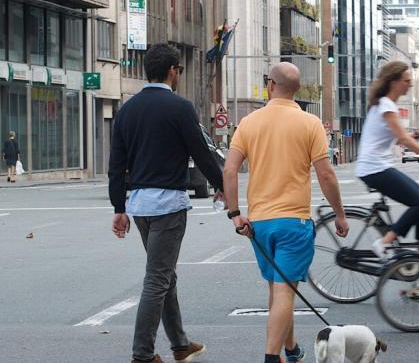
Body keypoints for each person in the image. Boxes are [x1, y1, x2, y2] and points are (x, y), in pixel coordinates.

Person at [223, 62, 349, 363]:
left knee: (279, 289)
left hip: (259, 224)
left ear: (270, 84)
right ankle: (271, 357)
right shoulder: (310, 123)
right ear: (297, 89)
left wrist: (235, 213)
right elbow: (326, 174)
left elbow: (229, 169)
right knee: (284, 291)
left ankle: (291, 350)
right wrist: (340, 215)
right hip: (294, 221)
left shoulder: (249, 122)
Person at [109, 43, 224, 363]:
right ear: (172, 70)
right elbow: (201, 153)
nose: (179, 75)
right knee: (158, 278)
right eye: (180, 70)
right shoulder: (180, 107)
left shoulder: (127, 111)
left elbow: (116, 165)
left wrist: (119, 208)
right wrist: (222, 187)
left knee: (165, 274)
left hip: (139, 207)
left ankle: (179, 343)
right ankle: (142, 354)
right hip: (169, 206)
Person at [354, 61, 419, 258]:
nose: (410, 85)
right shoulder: (386, 105)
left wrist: (417, 133)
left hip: (376, 167)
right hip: (375, 168)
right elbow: (402, 138)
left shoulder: (383, 104)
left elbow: (396, 137)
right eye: (407, 81)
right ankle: (384, 243)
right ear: (394, 81)